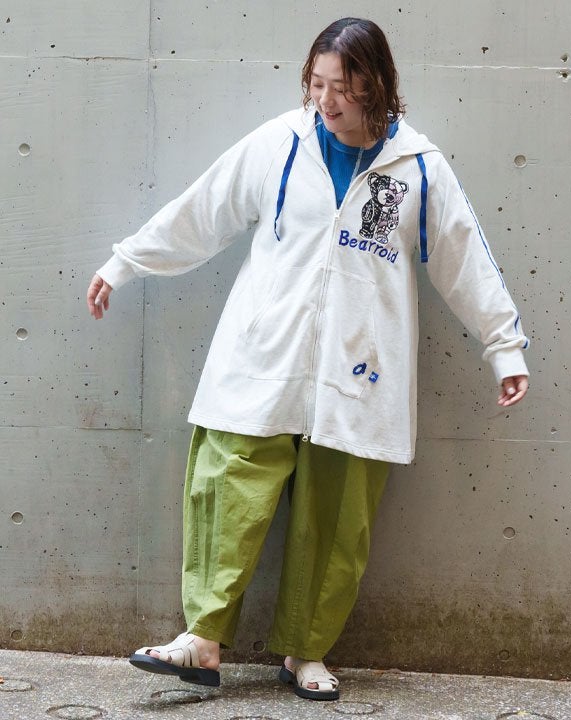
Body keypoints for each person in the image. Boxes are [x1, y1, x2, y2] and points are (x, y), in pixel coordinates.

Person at [87, 17, 529, 701]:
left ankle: (306, 651)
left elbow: (464, 259)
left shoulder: (417, 167)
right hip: (265, 353)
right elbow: (205, 207)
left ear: (376, 86)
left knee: (338, 513)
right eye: (317, 84)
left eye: (342, 88)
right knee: (227, 482)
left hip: (360, 370)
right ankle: (202, 640)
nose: (326, 101)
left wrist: (503, 347)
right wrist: (126, 261)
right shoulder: (280, 143)